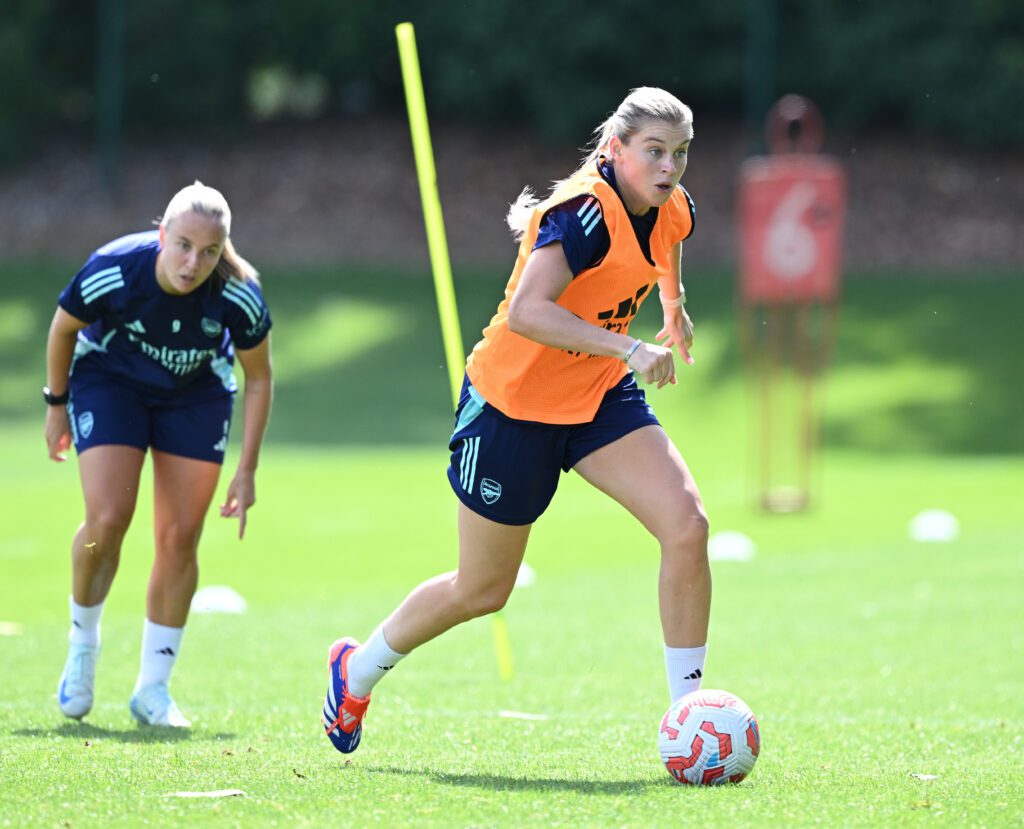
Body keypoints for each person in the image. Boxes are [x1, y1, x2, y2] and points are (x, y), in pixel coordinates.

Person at [322, 87, 707, 754]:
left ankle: (689, 720)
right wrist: (631, 346)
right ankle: (355, 671)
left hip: (595, 398)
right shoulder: (583, 213)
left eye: (679, 153)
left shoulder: (673, 206)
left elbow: (666, 245)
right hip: (512, 406)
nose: (669, 167)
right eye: (654, 151)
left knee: (687, 525)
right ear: (616, 149)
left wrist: (672, 306)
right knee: (482, 590)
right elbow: (530, 310)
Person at [45, 181, 273, 727]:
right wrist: (56, 404)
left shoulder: (238, 294)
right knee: (107, 519)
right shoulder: (115, 267)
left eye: (210, 251)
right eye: (184, 245)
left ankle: (153, 688)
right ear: (162, 234)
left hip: (195, 397)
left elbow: (259, 378)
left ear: (224, 250)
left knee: (179, 537)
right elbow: (63, 327)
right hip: (111, 382)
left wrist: (247, 470)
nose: (194, 262)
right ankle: (83, 647)